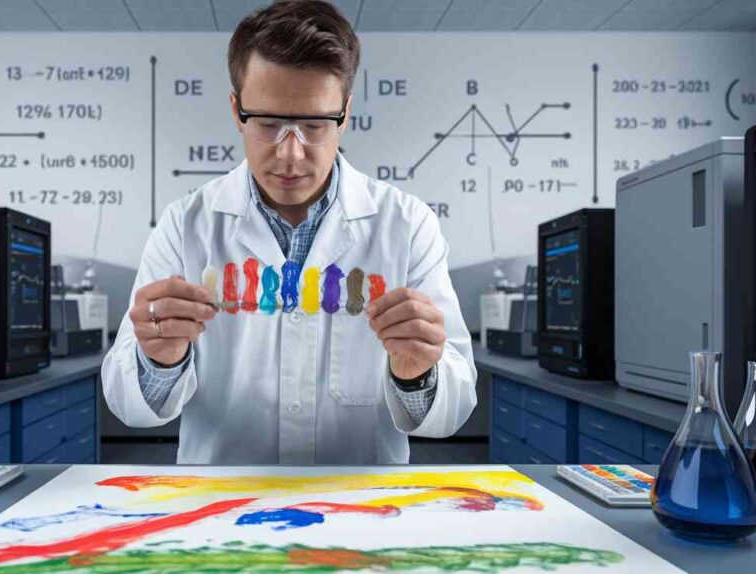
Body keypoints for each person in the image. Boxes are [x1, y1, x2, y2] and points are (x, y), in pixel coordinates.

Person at [102, 0, 477, 464]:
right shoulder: (186, 225)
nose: (291, 154)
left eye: (315, 124)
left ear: (345, 113)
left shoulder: (407, 224)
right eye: (270, 123)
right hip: (218, 507)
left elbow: (453, 409)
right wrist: (159, 360)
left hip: (360, 505)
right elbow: (129, 405)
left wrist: (417, 374)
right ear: (238, 111)